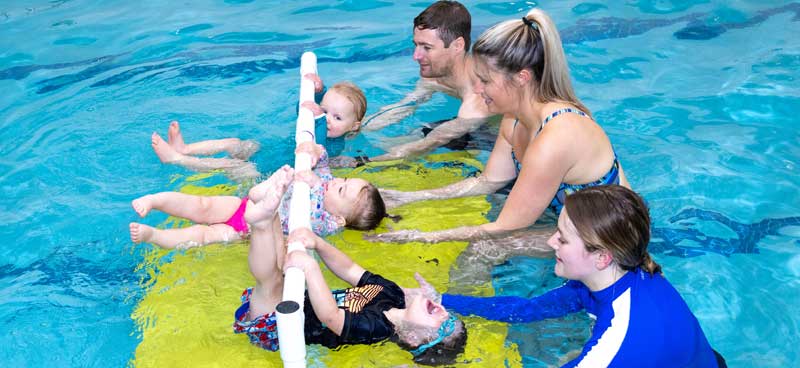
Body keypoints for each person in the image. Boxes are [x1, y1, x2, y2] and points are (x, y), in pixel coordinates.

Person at [362, 185, 732, 368]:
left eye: (563, 238)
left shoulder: (619, 341)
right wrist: (443, 300)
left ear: (601, 256)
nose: (552, 241)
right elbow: (523, 310)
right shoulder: (615, 276)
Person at [370, 8, 630, 244]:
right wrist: (407, 197)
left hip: (607, 237)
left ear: (521, 78)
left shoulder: (554, 138)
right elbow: (488, 182)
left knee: (487, 249)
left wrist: (421, 237)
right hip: (567, 225)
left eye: (484, 80)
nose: (477, 89)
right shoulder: (513, 118)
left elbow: (506, 228)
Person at [232, 168, 467, 365]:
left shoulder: (376, 329)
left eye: (445, 325)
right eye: (451, 316)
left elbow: (332, 317)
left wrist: (311, 269)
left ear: (415, 339)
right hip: (297, 301)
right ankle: (268, 209)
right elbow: (351, 269)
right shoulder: (392, 293)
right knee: (281, 259)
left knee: (270, 283)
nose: (445, 312)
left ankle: (262, 223)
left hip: (277, 329)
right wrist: (319, 244)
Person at [129, 143, 385, 249]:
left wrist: (316, 182)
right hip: (244, 206)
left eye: (342, 189)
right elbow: (325, 164)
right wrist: (316, 151)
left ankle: (155, 236)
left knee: (203, 235)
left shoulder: (326, 224)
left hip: (248, 232)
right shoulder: (329, 182)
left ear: (340, 219)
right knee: (202, 205)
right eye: (346, 179)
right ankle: (155, 200)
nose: (338, 182)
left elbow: (317, 202)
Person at [150, 73, 367, 178]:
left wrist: (319, 117)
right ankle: (185, 148)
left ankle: (176, 159)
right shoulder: (322, 122)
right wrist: (318, 92)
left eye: (337, 118)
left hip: (266, 175)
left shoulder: (332, 144)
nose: (328, 118)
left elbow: (316, 144)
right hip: (267, 154)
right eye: (325, 111)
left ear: (354, 126)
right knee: (236, 144)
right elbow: (304, 112)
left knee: (236, 166)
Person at [354, 0, 493, 163]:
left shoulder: (478, 96)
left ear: (457, 45)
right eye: (416, 45)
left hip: (490, 135)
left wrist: (361, 162)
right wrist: (353, 126)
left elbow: (429, 144)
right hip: (458, 123)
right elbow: (403, 107)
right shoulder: (435, 74)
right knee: (406, 137)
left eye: (427, 48)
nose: (416, 56)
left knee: (418, 141)